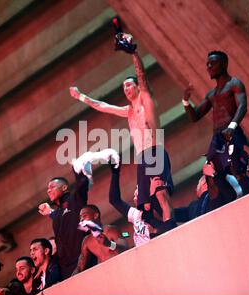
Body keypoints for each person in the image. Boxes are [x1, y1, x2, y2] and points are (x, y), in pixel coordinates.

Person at [69, 32, 175, 226]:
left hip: (154, 151)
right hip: (142, 158)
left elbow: (142, 77)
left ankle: (171, 225)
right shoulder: (128, 111)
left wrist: (133, 53)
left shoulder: (145, 100)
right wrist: (81, 97)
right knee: (145, 208)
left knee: (160, 192)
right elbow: (102, 106)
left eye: (128, 85)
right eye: (123, 87)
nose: (126, 89)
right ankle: (164, 228)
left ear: (136, 87)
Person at [182, 51, 249, 197]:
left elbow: (242, 106)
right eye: (207, 64)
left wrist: (232, 127)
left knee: (237, 168)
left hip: (231, 132)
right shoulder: (211, 94)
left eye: (213, 63)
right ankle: (233, 202)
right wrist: (185, 101)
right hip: (217, 137)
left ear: (224, 64)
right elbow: (195, 116)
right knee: (213, 174)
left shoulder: (234, 83)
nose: (209, 67)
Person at [108, 161, 176, 247]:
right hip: (140, 255)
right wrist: (115, 173)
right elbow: (114, 200)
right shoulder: (136, 215)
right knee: (124, 235)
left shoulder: (160, 212)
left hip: (157, 250)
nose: (135, 194)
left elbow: (163, 225)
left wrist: (152, 195)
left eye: (138, 191)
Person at [38, 169, 89, 280]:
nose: (48, 190)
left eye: (52, 187)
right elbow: (62, 218)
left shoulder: (74, 200)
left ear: (64, 188)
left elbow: (82, 184)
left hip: (82, 261)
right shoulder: (58, 212)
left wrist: (77, 169)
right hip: (66, 268)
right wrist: (50, 212)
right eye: (47, 188)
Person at [72, 205, 127, 275]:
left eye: (84, 216)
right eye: (80, 217)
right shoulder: (86, 241)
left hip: (120, 270)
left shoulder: (111, 230)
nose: (81, 219)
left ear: (95, 215)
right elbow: (80, 266)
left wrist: (109, 244)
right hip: (104, 275)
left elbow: (125, 249)